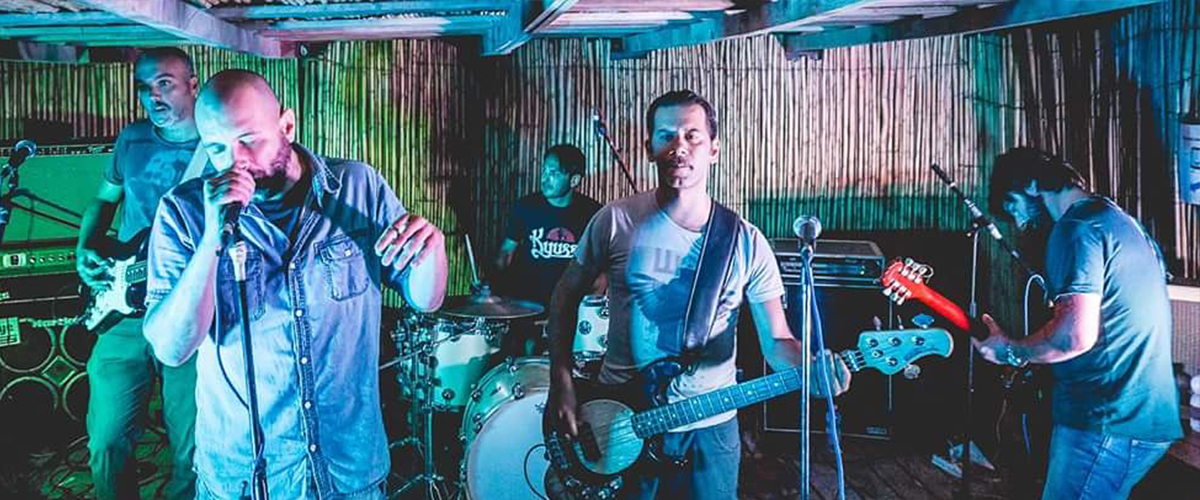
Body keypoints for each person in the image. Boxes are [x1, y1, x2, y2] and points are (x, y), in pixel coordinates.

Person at [141, 69, 448, 499]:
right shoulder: (184, 212)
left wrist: (433, 251)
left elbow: (426, 299)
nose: (235, 161)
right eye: (216, 148)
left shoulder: (357, 186)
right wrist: (212, 237)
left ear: (287, 125)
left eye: (248, 138)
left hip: (346, 468)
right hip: (245, 475)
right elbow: (172, 348)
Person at [544, 90, 851, 499]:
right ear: (649, 148)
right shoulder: (614, 221)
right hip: (620, 417)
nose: (679, 147)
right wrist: (561, 380)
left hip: (710, 431)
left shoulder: (745, 241)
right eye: (666, 136)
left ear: (714, 150)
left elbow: (777, 340)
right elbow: (564, 298)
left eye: (692, 136)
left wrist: (812, 369)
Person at [975, 147, 1182, 500]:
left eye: (1013, 206)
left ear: (1031, 185)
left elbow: (1073, 337)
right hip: (1145, 417)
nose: (1020, 223)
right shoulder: (1116, 219)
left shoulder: (1076, 229)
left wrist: (1010, 351)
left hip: (1105, 418)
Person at [75, 47, 200, 500]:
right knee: (106, 440)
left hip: (189, 314)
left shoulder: (219, 146)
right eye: (144, 87)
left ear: (192, 85)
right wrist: (86, 245)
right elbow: (104, 199)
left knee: (192, 449)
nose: (153, 96)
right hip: (124, 311)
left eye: (164, 83)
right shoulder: (132, 139)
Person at [494, 143, 603, 308]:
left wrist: (589, 308)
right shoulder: (525, 207)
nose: (544, 179)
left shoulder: (593, 213)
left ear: (574, 180)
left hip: (571, 307)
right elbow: (507, 251)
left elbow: (602, 271)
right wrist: (493, 282)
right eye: (544, 171)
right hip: (527, 305)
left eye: (553, 173)